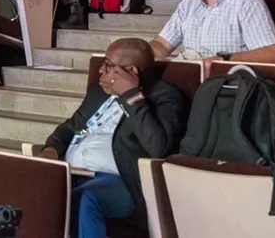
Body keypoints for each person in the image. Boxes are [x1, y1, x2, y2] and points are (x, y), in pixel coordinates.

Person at [38, 38, 184, 238]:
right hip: (71, 172)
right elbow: (71, 127)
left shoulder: (165, 96)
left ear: (132, 71)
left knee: (85, 198)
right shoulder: (99, 91)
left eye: (108, 65)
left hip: (122, 182)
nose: (101, 70)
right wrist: (50, 151)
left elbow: (159, 146)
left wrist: (131, 95)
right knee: (32, 186)